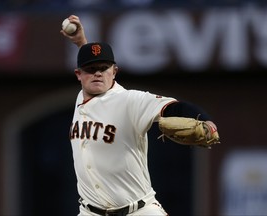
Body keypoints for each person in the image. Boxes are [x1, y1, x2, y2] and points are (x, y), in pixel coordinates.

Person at [61, 15, 219, 216]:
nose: (98, 73)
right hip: (89, 212)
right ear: (79, 75)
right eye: (91, 70)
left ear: (114, 71)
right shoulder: (81, 97)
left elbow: (173, 107)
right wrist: (81, 43)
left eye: (104, 68)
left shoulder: (129, 101)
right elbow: (90, 59)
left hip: (138, 211)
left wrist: (206, 120)